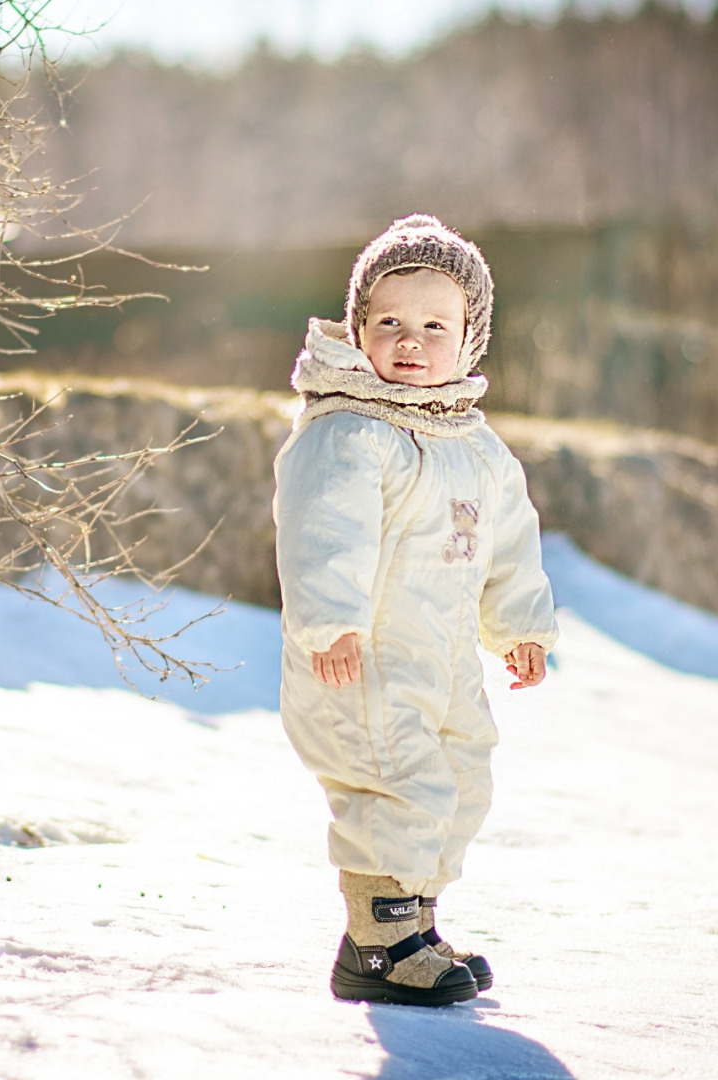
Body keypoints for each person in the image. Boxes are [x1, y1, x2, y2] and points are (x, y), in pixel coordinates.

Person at [273, 214, 557, 1007]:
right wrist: (330, 622)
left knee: (461, 777)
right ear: (357, 326)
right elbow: (323, 531)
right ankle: (377, 943)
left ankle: (415, 926)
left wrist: (521, 626)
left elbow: (508, 544)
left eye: (436, 325)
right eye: (389, 321)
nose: (409, 340)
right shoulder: (349, 431)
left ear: (469, 340)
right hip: (360, 661)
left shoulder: (474, 445)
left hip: (441, 659)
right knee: (398, 786)